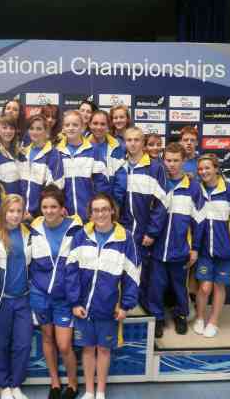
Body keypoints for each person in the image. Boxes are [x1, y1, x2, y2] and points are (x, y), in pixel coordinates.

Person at [65, 193, 140, 399]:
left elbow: (133, 275)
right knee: (88, 349)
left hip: (109, 308)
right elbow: (70, 271)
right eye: (96, 210)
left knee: (104, 350)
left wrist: (125, 305)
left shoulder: (125, 238)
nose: (100, 214)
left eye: (105, 209)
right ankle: (89, 391)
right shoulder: (80, 236)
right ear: (90, 213)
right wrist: (75, 302)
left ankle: (100, 392)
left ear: (112, 211)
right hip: (83, 308)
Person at [29, 185, 81, 399]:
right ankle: (55, 383)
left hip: (65, 297)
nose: (49, 211)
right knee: (47, 338)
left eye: (53, 207)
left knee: (64, 344)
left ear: (62, 209)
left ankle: (73, 384)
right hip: (40, 294)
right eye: (45, 207)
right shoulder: (34, 229)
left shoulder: (76, 230)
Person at [147, 143, 204, 337]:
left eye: (176, 160)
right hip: (157, 247)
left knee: (179, 286)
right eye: (168, 160)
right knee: (156, 286)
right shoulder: (158, 183)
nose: (171, 164)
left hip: (180, 249)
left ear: (184, 161)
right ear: (163, 160)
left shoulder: (193, 188)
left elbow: (199, 221)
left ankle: (181, 315)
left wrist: (195, 248)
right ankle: (157, 318)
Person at [113, 127, 167, 306]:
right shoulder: (120, 167)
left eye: (137, 140)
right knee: (123, 269)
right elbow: (115, 201)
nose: (133, 143)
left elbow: (162, 204)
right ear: (124, 143)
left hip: (144, 232)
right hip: (124, 230)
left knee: (144, 272)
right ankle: (126, 307)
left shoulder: (155, 168)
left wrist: (152, 232)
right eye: (129, 140)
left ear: (143, 143)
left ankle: (143, 307)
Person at [0, 194, 32, 399]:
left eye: (18, 211)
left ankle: (15, 384)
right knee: (1, 344)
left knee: (23, 344)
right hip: (0, 300)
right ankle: (3, 385)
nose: (15, 215)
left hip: (23, 299)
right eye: (11, 211)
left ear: (24, 213)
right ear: (4, 211)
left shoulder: (29, 234)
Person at [193, 154, 230, 338]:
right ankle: (199, 317)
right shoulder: (197, 190)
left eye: (207, 168)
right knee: (204, 287)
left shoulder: (229, 189)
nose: (204, 172)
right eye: (200, 169)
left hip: (225, 249)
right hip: (204, 249)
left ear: (216, 168)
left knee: (219, 286)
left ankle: (213, 321)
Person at [57, 110, 110, 222]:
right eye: (67, 125)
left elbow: (101, 184)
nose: (71, 128)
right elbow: (54, 186)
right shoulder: (57, 152)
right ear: (63, 128)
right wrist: (59, 206)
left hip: (89, 215)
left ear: (82, 128)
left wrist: (97, 209)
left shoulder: (93, 150)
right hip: (64, 216)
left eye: (75, 125)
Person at [19, 114, 64, 221]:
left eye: (39, 129)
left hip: (41, 216)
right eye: (31, 128)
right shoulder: (22, 153)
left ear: (46, 132)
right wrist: (18, 210)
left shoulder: (53, 154)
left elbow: (55, 189)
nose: (34, 132)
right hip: (20, 215)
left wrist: (35, 214)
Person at [88, 110, 126, 184]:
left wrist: (116, 192)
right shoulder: (82, 147)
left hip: (110, 191)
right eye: (95, 123)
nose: (99, 127)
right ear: (89, 124)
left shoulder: (116, 147)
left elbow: (121, 177)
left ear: (108, 126)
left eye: (103, 124)